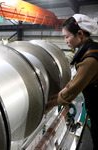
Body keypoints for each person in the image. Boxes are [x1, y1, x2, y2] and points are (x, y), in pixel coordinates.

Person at [44, 14, 98, 149]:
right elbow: (74, 81)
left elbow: (73, 91)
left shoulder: (90, 59)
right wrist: (57, 95)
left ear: (79, 34)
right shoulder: (89, 50)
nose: (66, 41)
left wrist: (49, 105)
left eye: (67, 37)